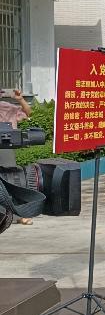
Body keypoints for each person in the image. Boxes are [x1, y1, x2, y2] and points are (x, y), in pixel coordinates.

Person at [0, 90, 34, 225]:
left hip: (5, 147)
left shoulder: (7, 107)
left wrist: (20, 99)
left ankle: (17, 215)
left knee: (11, 180)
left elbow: (28, 113)